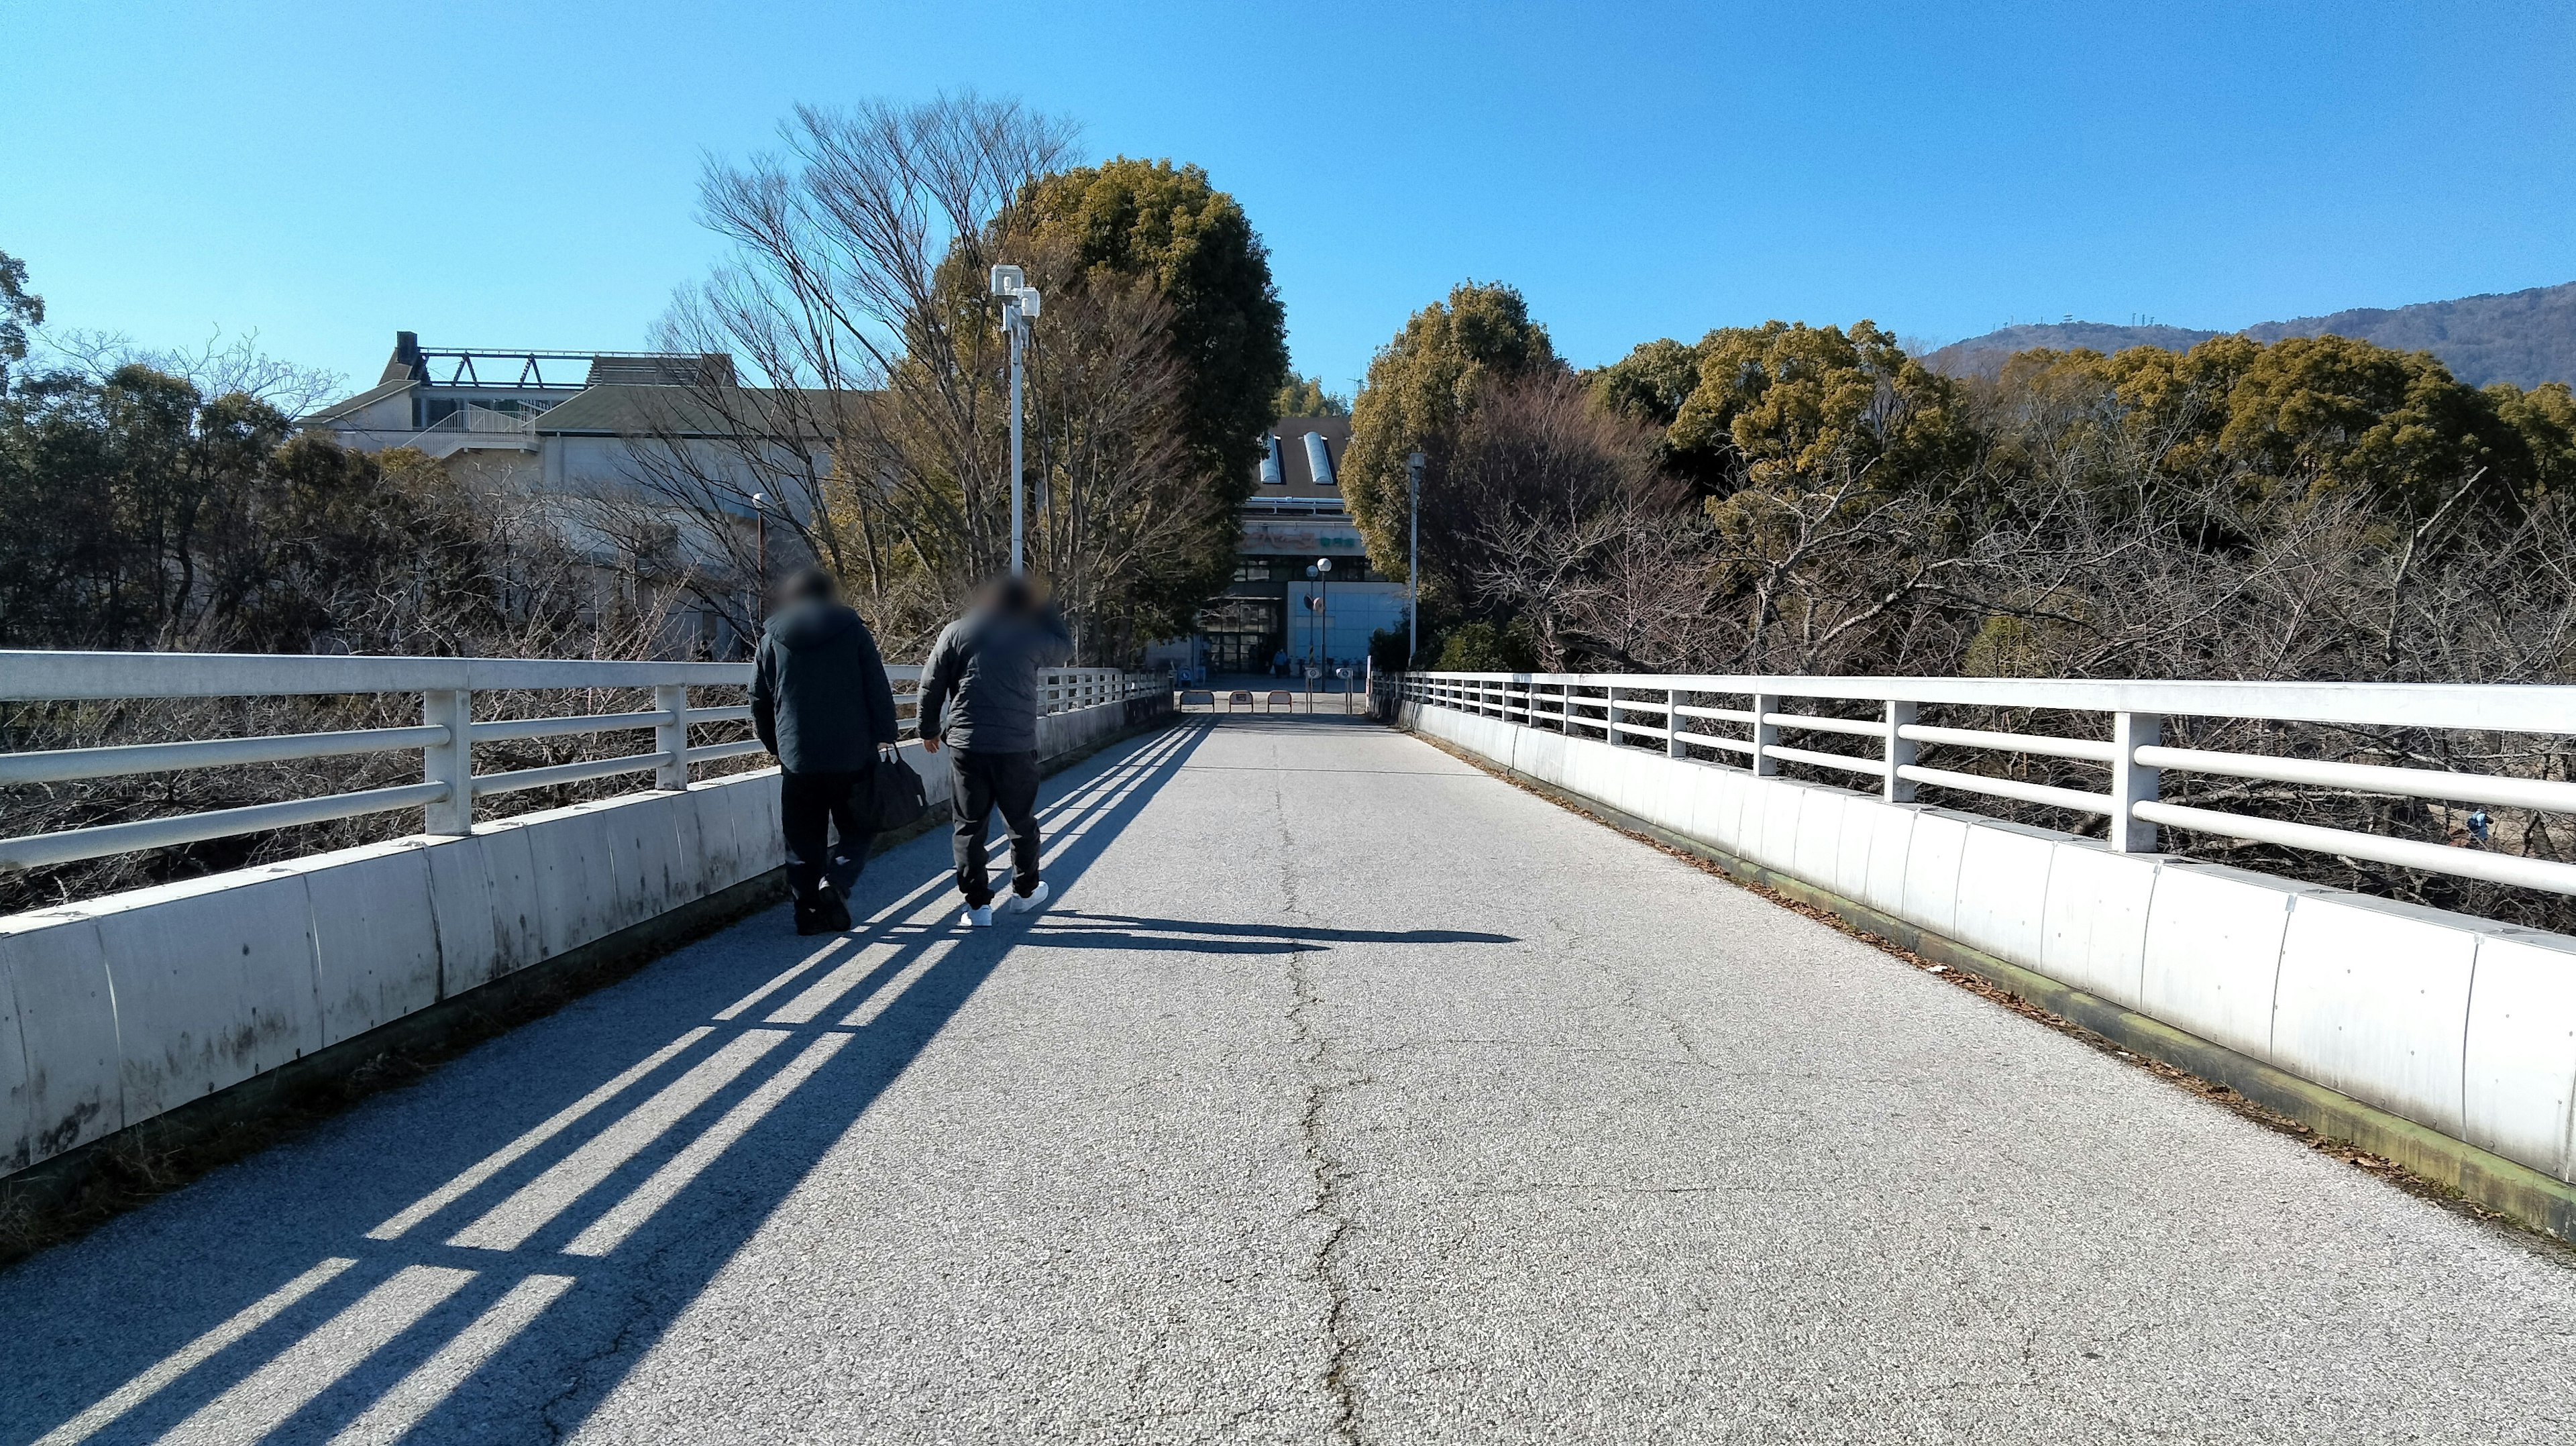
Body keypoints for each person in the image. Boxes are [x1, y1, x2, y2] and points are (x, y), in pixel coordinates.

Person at [918, 575, 1073, 928]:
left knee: (969, 825)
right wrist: (1044, 607)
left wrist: (928, 729)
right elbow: (1065, 649)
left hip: (966, 744)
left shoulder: (956, 631)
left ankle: (977, 907)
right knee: (1021, 821)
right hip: (1015, 744)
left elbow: (932, 682)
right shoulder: (1031, 635)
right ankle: (1024, 892)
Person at [751, 568, 900, 936]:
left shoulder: (772, 640)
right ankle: (837, 882)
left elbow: (759, 700)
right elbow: (876, 686)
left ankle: (807, 914)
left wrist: (777, 745)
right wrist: (885, 733)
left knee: (802, 839)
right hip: (853, 754)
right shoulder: (853, 632)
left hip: (798, 757)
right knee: (861, 826)